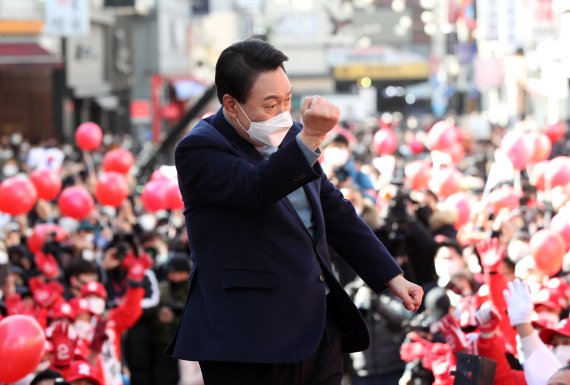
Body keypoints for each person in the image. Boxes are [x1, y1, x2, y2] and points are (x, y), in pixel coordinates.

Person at [167, 38, 423, 385]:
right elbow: (256, 188)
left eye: (288, 101)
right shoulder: (200, 148)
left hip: (316, 326)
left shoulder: (291, 137)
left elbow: (334, 210)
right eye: (270, 105)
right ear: (231, 104)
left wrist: (390, 277)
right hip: (249, 338)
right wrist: (311, 138)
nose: (283, 115)